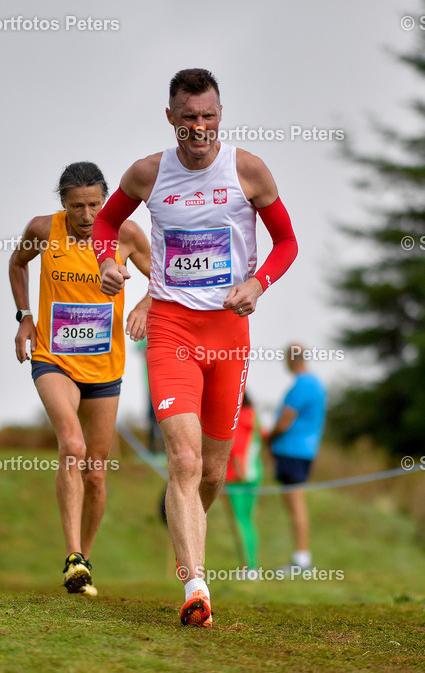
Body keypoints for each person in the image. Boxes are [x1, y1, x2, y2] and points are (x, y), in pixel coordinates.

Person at [93, 68, 298, 627]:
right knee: (181, 460)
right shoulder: (147, 173)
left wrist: (258, 283)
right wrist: (109, 265)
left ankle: (187, 540)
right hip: (173, 329)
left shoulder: (248, 170)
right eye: (188, 118)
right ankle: (197, 587)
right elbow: (106, 224)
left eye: (208, 116)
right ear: (170, 118)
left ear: (220, 115)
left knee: (212, 473)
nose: (199, 128)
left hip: (230, 333)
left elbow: (287, 242)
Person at [10, 161, 152, 597]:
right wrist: (25, 317)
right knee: (71, 446)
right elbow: (18, 265)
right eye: (77, 207)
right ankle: (71, 553)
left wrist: (145, 305)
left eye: (95, 205)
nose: (88, 216)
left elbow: (165, 278)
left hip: (105, 368)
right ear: (63, 204)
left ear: (105, 200)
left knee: (95, 472)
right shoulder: (42, 229)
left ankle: (82, 566)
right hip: (53, 359)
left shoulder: (125, 234)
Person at [265, 343, 327, 572]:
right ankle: (301, 557)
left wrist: (267, 439)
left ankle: (301, 559)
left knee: (296, 505)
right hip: (304, 450)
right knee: (295, 505)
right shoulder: (316, 384)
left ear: (292, 359)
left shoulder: (303, 384)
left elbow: (284, 421)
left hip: (292, 451)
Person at [224, 393, 263, 572]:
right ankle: (251, 565)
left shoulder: (236, 416)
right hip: (254, 474)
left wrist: (239, 468)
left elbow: (236, 444)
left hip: (236, 477)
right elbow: (261, 437)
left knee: (239, 522)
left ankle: (248, 567)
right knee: (248, 521)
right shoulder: (254, 416)